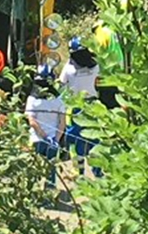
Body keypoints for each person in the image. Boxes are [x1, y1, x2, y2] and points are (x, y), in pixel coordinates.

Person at [59, 37, 103, 178]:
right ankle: (98, 172)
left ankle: (79, 171)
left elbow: (61, 84)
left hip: (75, 107)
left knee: (74, 140)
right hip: (94, 106)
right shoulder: (96, 67)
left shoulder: (69, 69)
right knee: (94, 139)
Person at [25, 64, 66, 191]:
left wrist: (44, 136)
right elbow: (62, 123)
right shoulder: (59, 99)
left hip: (36, 139)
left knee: (34, 168)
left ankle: (34, 193)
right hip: (53, 140)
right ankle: (50, 193)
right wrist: (56, 139)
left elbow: (31, 121)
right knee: (51, 169)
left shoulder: (32, 99)